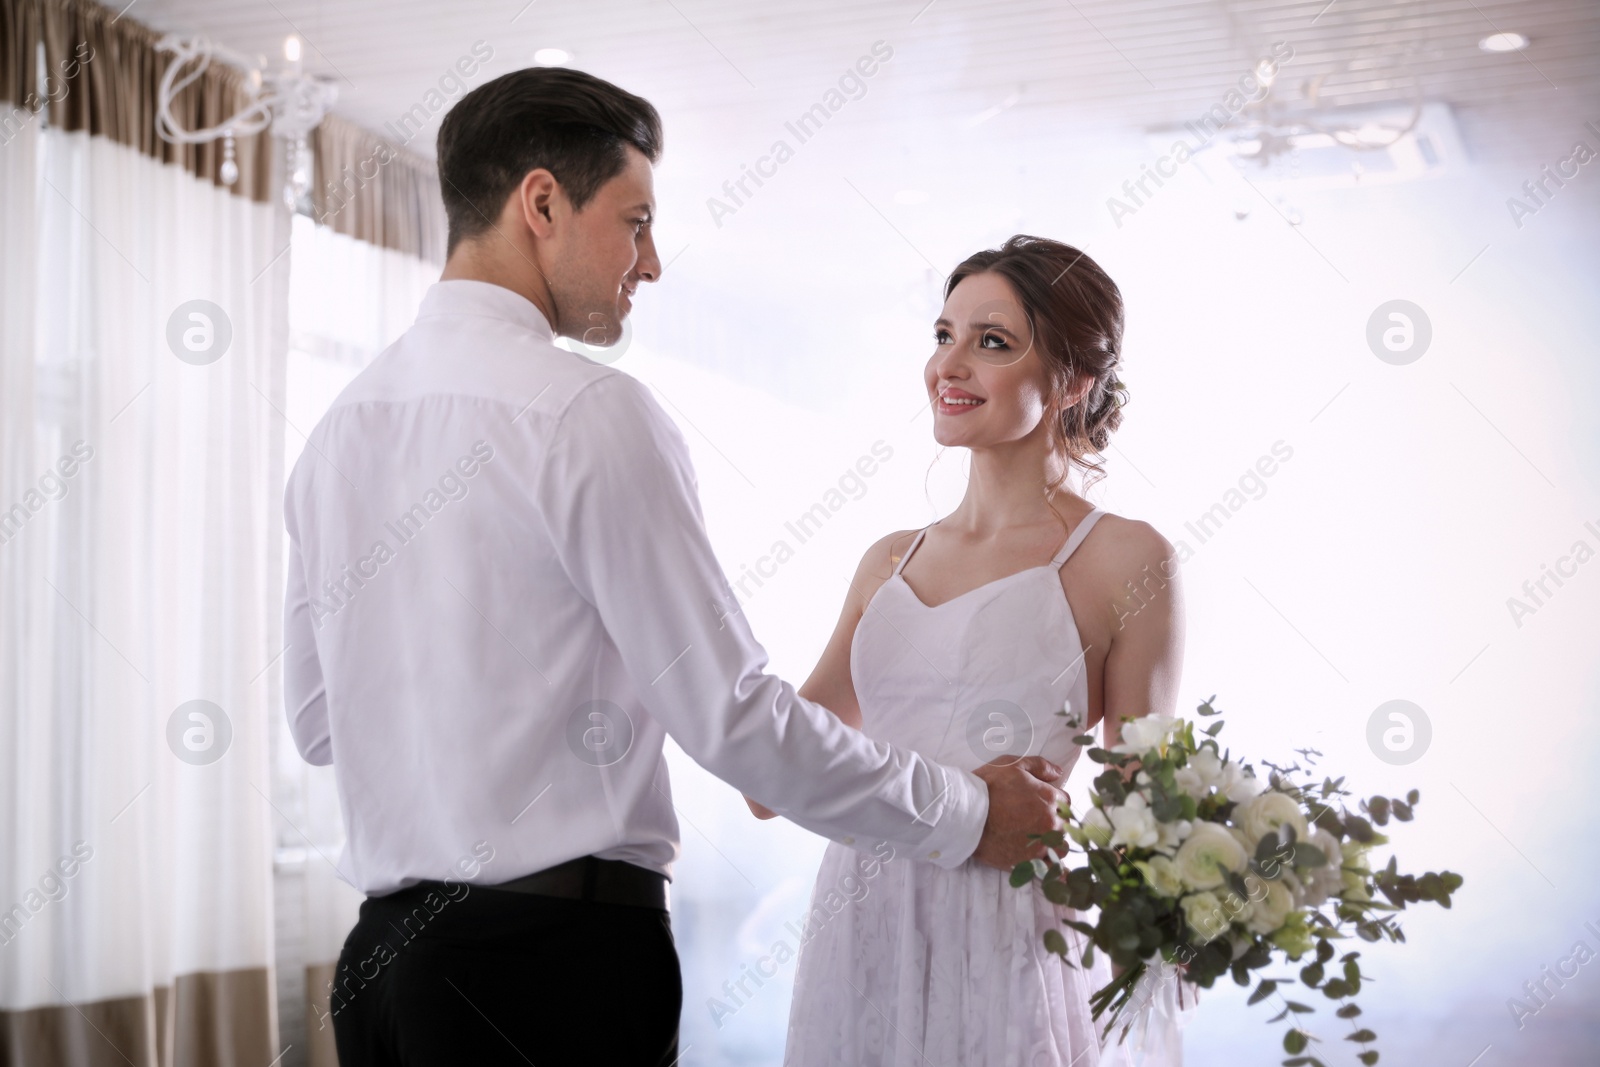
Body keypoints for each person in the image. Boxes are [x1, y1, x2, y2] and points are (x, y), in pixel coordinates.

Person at [281, 68, 1067, 1067]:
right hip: (547, 970)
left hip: (380, 974)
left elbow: (316, 723)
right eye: (635, 220)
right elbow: (730, 717)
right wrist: (967, 811)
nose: (649, 263)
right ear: (540, 203)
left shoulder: (338, 428)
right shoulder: (588, 413)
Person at [747, 236, 1185, 1065]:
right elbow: (771, 778)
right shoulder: (887, 559)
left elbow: (1143, 812)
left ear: (1073, 380)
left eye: (991, 342)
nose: (950, 365)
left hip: (1011, 927)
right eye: (943, 335)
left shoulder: (1126, 557)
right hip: (861, 923)